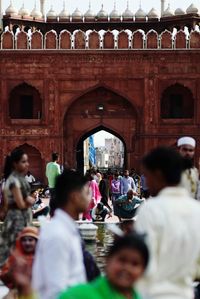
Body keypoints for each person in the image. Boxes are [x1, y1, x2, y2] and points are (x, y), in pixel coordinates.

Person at [135, 147, 200, 299]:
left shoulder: (151, 209)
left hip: (154, 294)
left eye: (147, 176)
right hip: (186, 293)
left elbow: (144, 261)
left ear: (157, 174)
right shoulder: (197, 210)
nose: (147, 183)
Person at [32, 169, 91, 299]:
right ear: (75, 196)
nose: (90, 198)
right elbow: (56, 291)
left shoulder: (66, 230)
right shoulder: (58, 234)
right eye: (87, 193)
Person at [58, 233, 149, 299]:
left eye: (135, 264)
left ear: (143, 270)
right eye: (122, 260)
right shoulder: (78, 295)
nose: (126, 268)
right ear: (107, 260)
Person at [0, 149, 34, 267]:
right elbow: (20, 204)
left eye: (27, 161)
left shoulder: (18, 178)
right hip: (17, 220)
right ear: (15, 163)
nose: (27, 164)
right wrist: (30, 201)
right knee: (15, 251)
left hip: (21, 218)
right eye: (23, 162)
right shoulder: (14, 180)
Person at [0, 227, 38, 299]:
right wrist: (11, 273)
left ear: (37, 241)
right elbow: (4, 276)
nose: (27, 243)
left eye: (30, 240)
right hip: (17, 292)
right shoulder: (15, 257)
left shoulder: (41, 258)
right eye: (24, 240)